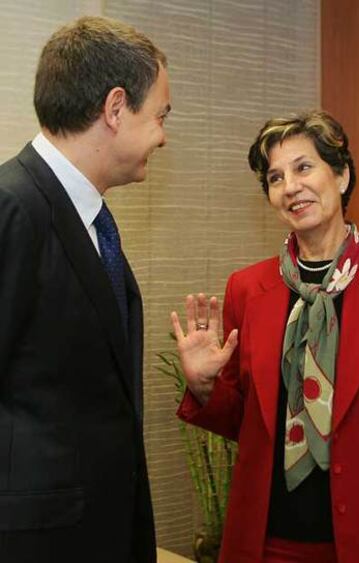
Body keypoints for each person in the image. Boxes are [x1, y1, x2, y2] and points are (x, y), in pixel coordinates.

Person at [171, 110, 359, 563]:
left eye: (304, 167)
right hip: (265, 541)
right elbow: (247, 423)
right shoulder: (247, 289)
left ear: (341, 175)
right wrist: (205, 385)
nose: (290, 186)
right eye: (275, 177)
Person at [0, 16, 170, 563]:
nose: (163, 137)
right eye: (160, 116)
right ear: (116, 108)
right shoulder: (13, 206)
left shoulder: (88, 217)